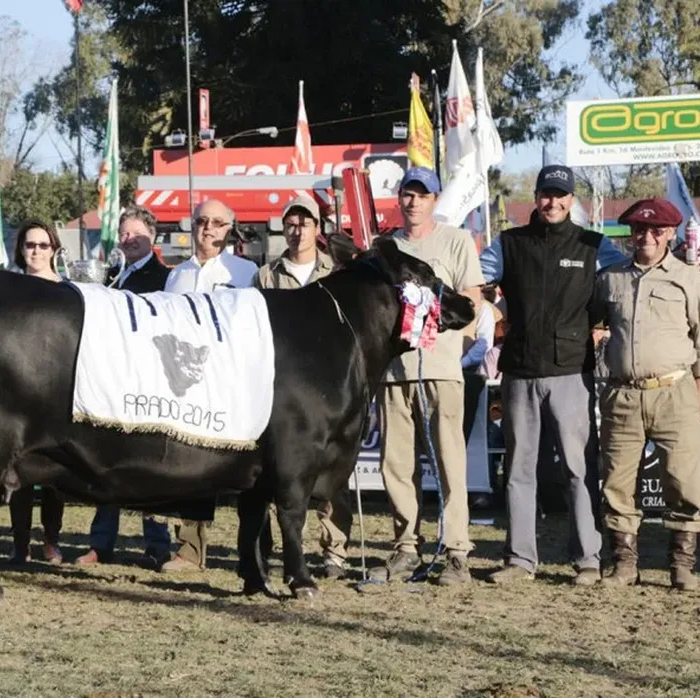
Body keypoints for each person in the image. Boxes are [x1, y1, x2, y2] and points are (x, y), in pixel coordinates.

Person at [479, 164, 626, 586]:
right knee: (520, 469)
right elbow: (473, 278)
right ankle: (520, 561)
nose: (553, 202)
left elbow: (623, 285)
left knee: (579, 468)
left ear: (572, 199)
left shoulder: (594, 246)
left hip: (571, 373)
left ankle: (588, 559)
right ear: (537, 197)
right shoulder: (509, 244)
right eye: (546, 194)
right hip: (520, 371)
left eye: (561, 195)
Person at [365, 167, 485, 586]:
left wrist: (459, 346)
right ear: (399, 199)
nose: (413, 201)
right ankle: (405, 548)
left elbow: (473, 297)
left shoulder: (455, 241)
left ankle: (456, 552)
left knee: (450, 463)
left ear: (435, 199)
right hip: (393, 373)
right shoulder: (384, 248)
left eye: (422, 195)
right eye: (407, 194)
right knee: (395, 464)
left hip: (440, 370)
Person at [593, 198, 700, 590]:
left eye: (656, 231)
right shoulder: (610, 279)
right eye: (639, 230)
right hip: (623, 395)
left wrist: (699, 391)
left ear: (671, 235)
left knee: (684, 481)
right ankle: (625, 564)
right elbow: (593, 322)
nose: (646, 237)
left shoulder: (691, 279)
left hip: (674, 391)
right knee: (617, 482)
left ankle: (682, 565)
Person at [252, 194, 350, 579]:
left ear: (317, 228)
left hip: (329, 385)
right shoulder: (265, 275)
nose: (296, 230)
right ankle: (289, 548)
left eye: (304, 223)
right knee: (284, 472)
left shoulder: (336, 272)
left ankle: (335, 551)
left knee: (332, 470)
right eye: (290, 224)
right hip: (282, 387)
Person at [161, 198, 258, 573]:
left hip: (231, 379)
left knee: (247, 467)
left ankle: (253, 549)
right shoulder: (176, 274)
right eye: (202, 221)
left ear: (229, 229)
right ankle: (188, 548)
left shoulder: (246, 270)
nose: (209, 228)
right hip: (186, 384)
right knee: (188, 463)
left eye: (218, 223)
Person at [75, 205, 173, 569]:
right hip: (111, 381)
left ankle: (157, 544)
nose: (129, 240)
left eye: (136, 234)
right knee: (107, 464)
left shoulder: (165, 278)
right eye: (124, 234)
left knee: (150, 465)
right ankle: (101, 543)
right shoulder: (107, 275)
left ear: (153, 236)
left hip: (147, 382)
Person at [7, 219, 65, 564]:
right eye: (31, 245)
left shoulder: (67, 289)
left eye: (43, 245)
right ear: (21, 250)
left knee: (54, 473)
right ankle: (19, 544)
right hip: (18, 394)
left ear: (54, 250)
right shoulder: (9, 288)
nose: (37, 252)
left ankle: (51, 540)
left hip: (56, 393)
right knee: (19, 475)